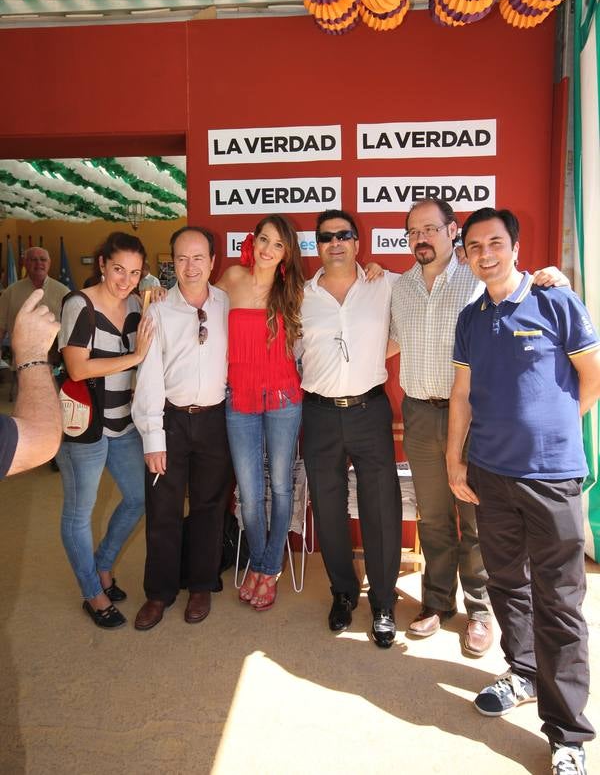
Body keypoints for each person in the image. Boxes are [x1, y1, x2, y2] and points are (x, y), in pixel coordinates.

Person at [447, 207, 600, 775]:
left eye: (494, 243)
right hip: (490, 473)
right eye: (474, 246)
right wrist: (454, 462)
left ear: (515, 245)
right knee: (508, 582)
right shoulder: (469, 319)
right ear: (465, 255)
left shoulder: (555, 300)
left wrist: (557, 426)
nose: (484, 254)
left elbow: (593, 375)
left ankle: (568, 736)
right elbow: (461, 395)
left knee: (560, 601)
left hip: (553, 478)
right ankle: (524, 672)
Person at [388, 199, 571, 657]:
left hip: (473, 417)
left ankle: (481, 609)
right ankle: (436, 602)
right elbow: (386, 340)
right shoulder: (400, 286)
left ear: (452, 232)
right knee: (433, 515)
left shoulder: (479, 276)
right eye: (413, 231)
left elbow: (525, 285)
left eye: (431, 228)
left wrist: (554, 277)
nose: (421, 238)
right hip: (419, 412)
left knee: (476, 516)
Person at [300, 209, 401, 648]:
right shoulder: (299, 296)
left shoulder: (386, 284)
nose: (335, 243)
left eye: (343, 235)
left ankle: (382, 602)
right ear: (317, 245)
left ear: (357, 243)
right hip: (319, 413)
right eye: (326, 237)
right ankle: (343, 592)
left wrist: (374, 354)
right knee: (327, 506)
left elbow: (438, 288)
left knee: (381, 506)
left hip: (369, 410)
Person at [131, 226, 233, 630]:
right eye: (181, 259)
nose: (190, 267)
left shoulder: (227, 303)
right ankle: (159, 593)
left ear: (212, 261)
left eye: (198, 258)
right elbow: (149, 377)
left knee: (210, 507)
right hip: (170, 421)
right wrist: (153, 438)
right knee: (163, 510)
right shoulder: (156, 310)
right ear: (172, 263)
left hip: (215, 421)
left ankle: (201, 586)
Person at [57, 232, 154, 630]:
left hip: (123, 423)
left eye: (134, 272)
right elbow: (78, 368)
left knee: (137, 498)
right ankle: (92, 591)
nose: (125, 279)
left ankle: (102, 565)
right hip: (84, 427)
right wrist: (134, 356)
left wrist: (154, 299)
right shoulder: (78, 304)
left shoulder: (136, 304)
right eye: (118, 269)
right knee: (80, 513)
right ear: (101, 264)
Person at [216, 215, 304, 611]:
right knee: (250, 494)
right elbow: (197, 308)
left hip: (285, 397)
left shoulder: (295, 290)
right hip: (240, 397)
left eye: (278, 244)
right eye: (264, 239)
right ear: (253, 242)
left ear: (287, 253)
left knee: (282, 486)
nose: (268, 249)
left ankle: (267, 569)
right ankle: (261, 561)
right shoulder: (232, 277)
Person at [0, 289, 62, 479]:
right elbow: (39, 440)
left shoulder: (61, 289)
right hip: (29, 363)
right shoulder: (12, 292)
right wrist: (32, 352)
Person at [0, 246, 68, 361]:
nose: (39, 263)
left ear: (49, 263)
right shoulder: (10, 293)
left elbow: (72, 330)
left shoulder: (64, 292)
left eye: (43, 259)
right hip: (21, 364)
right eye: (33, 259)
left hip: (58, 364)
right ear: (25, 263)